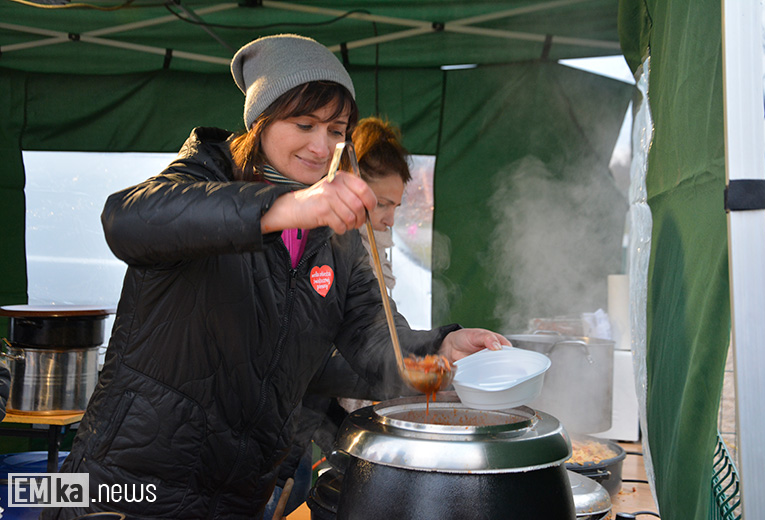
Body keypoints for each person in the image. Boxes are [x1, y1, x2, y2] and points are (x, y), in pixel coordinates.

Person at [44, 34, 508, 519]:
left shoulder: (339, 238)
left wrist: (439, 350)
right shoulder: (205, 178)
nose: (321, 145)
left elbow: (374, 341)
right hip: (123, 487)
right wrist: (284, 209)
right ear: (261, 120)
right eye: (303, 124)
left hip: (236, 498)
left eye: (336, 129)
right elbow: (124, 221)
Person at [262, 116, 413, 518]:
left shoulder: (373, 247)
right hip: (278, 430)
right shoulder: (313, 240)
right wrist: (409, 380)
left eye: (396, 205)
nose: (389, 218)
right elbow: (313, 356)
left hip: (312, 427)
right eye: (381, 204)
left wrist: (432, 352)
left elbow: (378, 330)